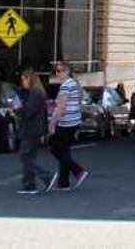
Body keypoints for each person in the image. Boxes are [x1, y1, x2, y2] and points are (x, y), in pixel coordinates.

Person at [47, 61, 88, 190]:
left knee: (55, 148)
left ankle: (78, 170)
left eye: (60, 71)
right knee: (64, 150)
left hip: (66, 122)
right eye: (56, 71)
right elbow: (79, 98)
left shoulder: (66, 85)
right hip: (74, 120)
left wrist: (52, 124)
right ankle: (63, 183)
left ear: (67, 72)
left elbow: (61, 107)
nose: (57, 73)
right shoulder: (74, 83)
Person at [16, 67, 56, 194]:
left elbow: (28, 112)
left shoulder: (35, 93)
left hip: (31, 129)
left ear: (29, 79)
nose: (23, 83)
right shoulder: (38, 92)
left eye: (23, 80)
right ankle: (29, 185)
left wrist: (17, 109)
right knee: (29, 156)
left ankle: (47, 176)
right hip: (36, 129)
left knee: (25, 156)